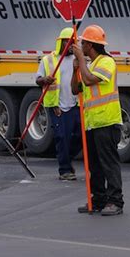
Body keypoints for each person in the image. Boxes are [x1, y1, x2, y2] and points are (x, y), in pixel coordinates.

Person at [71, 25, 124, 216]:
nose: (81, 45)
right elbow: (75, 89)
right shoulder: (90, 64)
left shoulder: (107, 62)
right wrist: (75, 68)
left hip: (107, 121)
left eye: (83, 43)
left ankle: (115, 201)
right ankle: (99, 199)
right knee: (95, 165)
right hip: (92, 122)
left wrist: (81, 62)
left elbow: (89, 80)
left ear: (91, 45)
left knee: (109, 163)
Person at [36, 27, 81, 181]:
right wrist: (45, 80)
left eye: (74, 43)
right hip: (57, 106)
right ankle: (65, 170)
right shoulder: (48, 60)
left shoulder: (77, 60)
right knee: (62, 137)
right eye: (69, 43)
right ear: (61, 43)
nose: (71, 46)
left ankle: (68, 158)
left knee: (80, 136)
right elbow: (38, 80)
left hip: (75, 104)